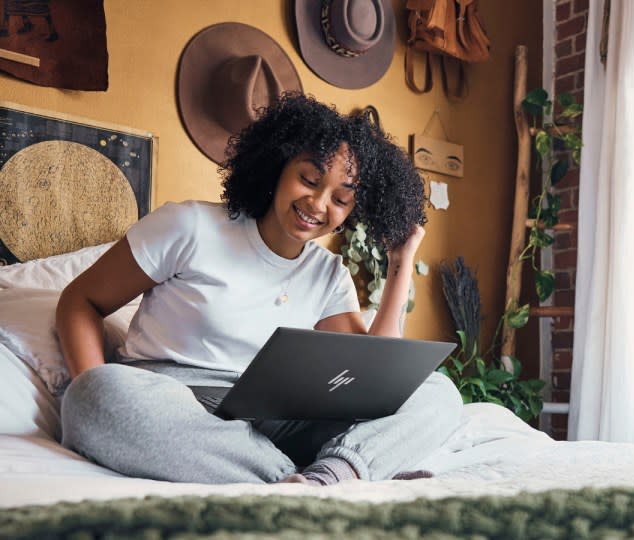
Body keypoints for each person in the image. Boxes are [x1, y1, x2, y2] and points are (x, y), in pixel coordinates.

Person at [57, 94, 463, 486]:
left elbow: (375, 381)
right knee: (94, 395)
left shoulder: (328, 273)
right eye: (309, 179)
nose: (318, 205)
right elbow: (81, 300)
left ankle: (323, 479)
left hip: (278, 420)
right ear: (278, 164)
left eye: (340, 199)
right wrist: (91, 387)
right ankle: (300, 480)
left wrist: (400, 261)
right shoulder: (189, 226)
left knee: (437, 392)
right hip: (176, 407)